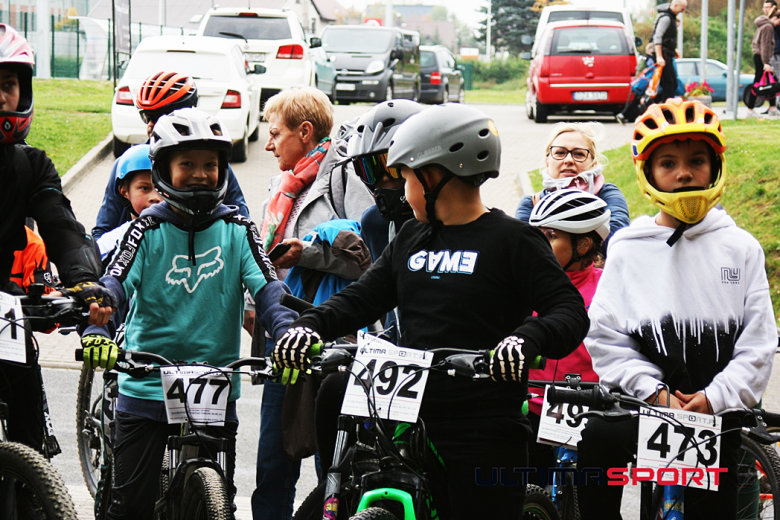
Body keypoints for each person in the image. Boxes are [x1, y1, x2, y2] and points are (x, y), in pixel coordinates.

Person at [272, 103, 590, 519]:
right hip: (412, 413)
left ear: (436, 174)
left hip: (484, 423)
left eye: (406, 178)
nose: (402, 191)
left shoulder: (513, 240)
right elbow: (362, 298)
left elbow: (568, 311)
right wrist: (309, 326)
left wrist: (525, 339)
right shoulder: (410, 237)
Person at [78, 108, 297, 520]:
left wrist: (285, 332)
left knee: (217, 504)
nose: (200, 174)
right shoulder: (147, 229)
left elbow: (270, 290)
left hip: (214, 385)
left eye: (210, 165)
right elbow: (115, 285)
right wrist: (99, 325)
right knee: (131, 506)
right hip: (145, 385)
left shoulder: (238, 229)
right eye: (188, 164)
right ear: (163, 169)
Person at [576, 98, 777, 520]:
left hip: (718, 414)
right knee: (595, 443)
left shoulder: (741, 248)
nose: (684, 172)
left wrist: (713, 397)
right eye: (667, 163)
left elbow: (758, 343)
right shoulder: (628, 247)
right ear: (647, 172)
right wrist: (654, 391)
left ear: (715, 166)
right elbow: (605, 334)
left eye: (696, 160)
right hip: (644, 405)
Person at [251, 87, 374, 520]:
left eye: (275, 134)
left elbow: (370, 258)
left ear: (305, 132)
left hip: (331, 340)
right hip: (282, 335)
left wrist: (307, 252)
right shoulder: (282, 183)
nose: (267, 145)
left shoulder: (346, 176)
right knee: (272, 460)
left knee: (331, 461)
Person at [0, 23, 114, 455]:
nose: (1, 96)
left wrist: (84, 279)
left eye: (8, 85)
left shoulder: (32, 165)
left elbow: (61, 225)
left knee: (30, 437)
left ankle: (31, 485)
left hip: (4, 305)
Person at [92, 71, 249, 240]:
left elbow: (241, 224)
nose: (151, 124)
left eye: (159, 117)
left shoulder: (214, 169)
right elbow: (103, 231)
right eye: (147, 116)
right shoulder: (129, 163)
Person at [524, 189, 609, 486]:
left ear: (583, 244)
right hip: (533, 405)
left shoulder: (608, 288)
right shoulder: (524, 282)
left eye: (549, 235)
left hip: (592, 409)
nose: (537, 245)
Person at [514, 122, 629, 251]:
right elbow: (523, 249)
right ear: (547, 161)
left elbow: (618, 237)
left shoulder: (607, 195)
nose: (568, 160)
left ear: (593, 163)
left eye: (579, 154)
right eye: (560, 152)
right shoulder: (531, 204)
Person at [96, 143, 161, 263]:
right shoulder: (109, 244)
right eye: (144, 188)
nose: (154, 197)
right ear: (125, 192)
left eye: (160, 189)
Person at [651, 0, 687, 104]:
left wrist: (674, 50)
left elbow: (667, 39)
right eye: (682, 9)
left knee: (672, 84)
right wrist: (659, 56)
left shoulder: (671, 18)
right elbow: (658, 37)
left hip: (667, 53)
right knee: (669, 84)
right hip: (663, 55)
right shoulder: (666, 18)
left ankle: (650, 104)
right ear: (675, 5)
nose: (682, 12)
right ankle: (665, 109)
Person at [747, 8, 780, 118]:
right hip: (762, 57)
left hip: (760, 56)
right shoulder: (768, 27)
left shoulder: (764, 25)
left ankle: (772, 107)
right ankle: (750, 109)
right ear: (775, 18)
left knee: (771, 81)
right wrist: (766, 62)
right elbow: (765, 45)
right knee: (758, 82)